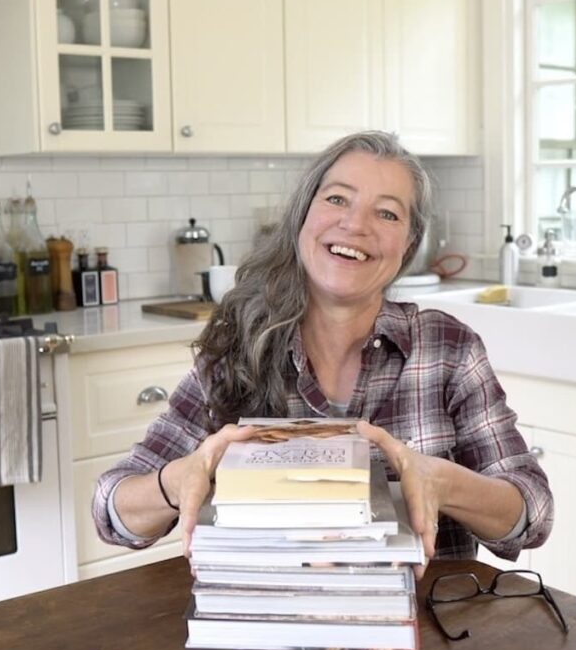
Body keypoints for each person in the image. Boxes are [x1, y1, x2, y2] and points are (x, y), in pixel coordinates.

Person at [92, 131, 552, 576]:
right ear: (302, 217)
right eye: (337, 199)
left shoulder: (448, 350)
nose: (355, 224)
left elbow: (532, 512)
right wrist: (174, 483)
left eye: (388, 214)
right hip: (268, 627)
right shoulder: (239, 345)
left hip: (427, 629)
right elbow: (111, 508)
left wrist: (442, 482)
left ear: (408, 245)